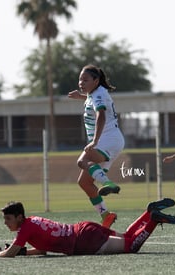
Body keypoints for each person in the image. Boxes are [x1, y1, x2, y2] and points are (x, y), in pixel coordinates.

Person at [0, 198, 175, 257]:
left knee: (131, 247)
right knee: (128, 236)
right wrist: (25, 252)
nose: (6, 222)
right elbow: (44, 249)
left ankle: (153, 220)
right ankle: (148, 213)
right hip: (85, 228)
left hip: (85, 241)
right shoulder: (32, 221)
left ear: (20, 217)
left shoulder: (24, 229)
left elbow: (10, 253)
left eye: (8, 218)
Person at [67, 64, 125, 228]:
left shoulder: (98, 95)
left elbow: (101, 115)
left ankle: (108, 183)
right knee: (84, 182)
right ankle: (106, 215)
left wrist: (94, 141)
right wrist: (81, 96)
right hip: (111, 140)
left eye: (85, 80)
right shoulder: (95, 94)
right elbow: (94, 101)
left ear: (96, 80)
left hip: (107, 139)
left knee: (81, 161)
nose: (81, 82)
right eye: (80, 79)